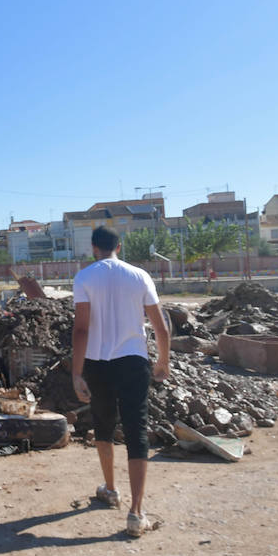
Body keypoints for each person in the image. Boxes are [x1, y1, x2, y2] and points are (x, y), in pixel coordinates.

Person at [71, 226, 171, 537]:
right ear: (120, 245)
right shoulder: (140, 276)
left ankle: (111, 490)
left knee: (102, 423)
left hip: (98, 363)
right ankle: (136, 512)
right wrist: (163, 360)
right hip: (133, 361)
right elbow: (160, 327)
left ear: (93, 248)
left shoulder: (85, 278)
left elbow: (82, 330)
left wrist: (76, 373)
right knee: (135, 429)